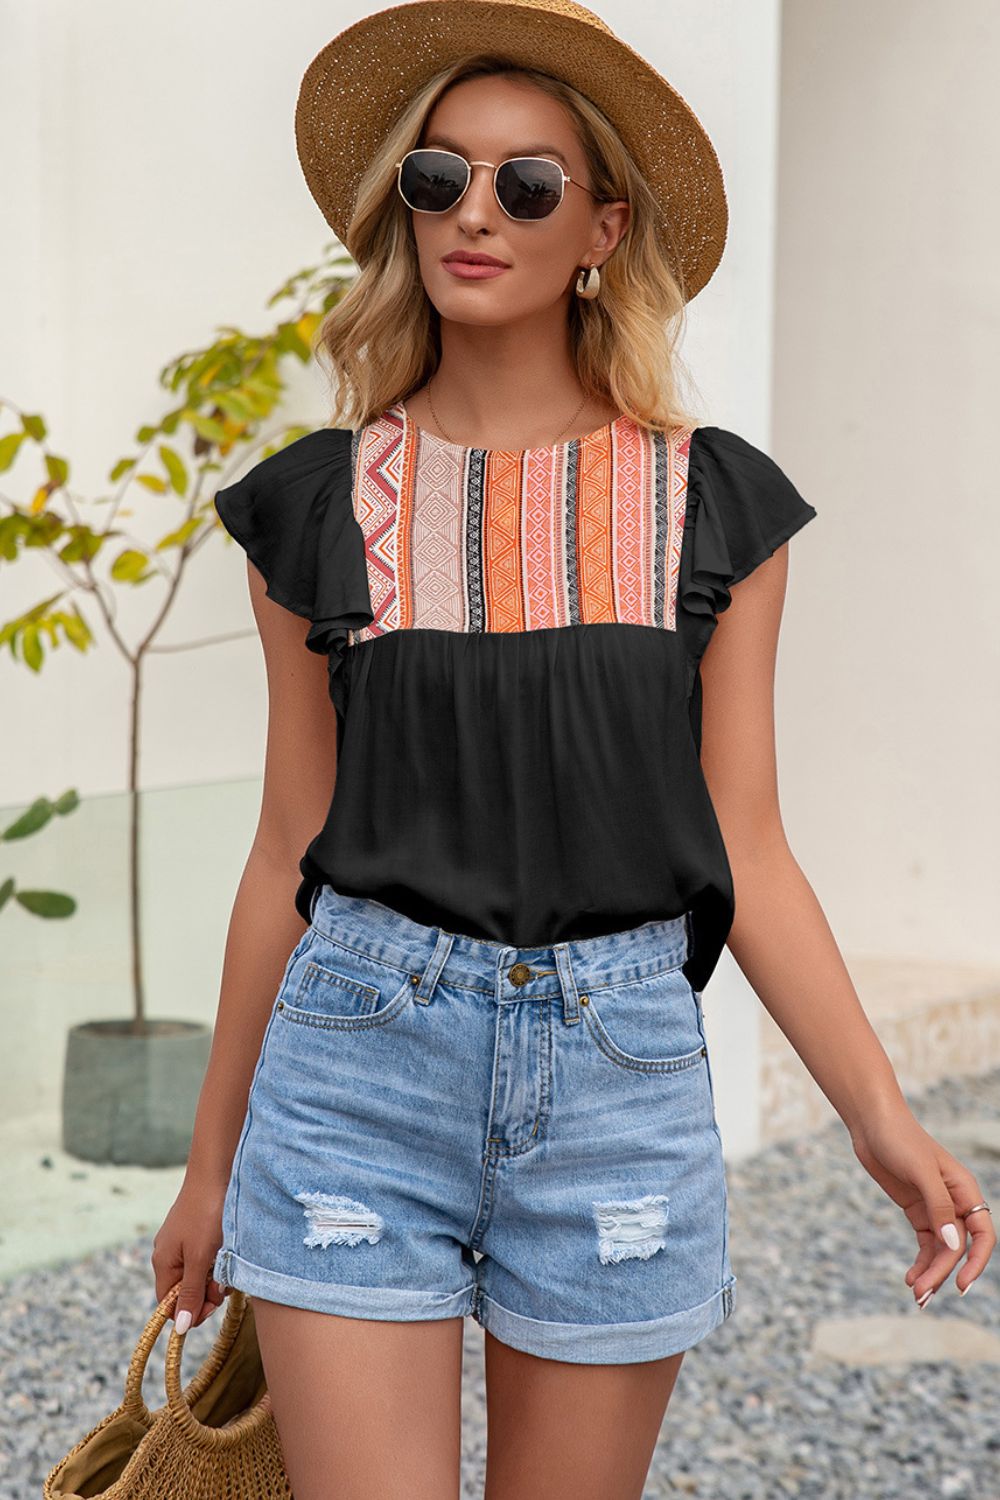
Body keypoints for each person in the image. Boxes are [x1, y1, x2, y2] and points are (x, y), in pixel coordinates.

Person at [152, 5, 995, 1497]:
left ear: (602, 228)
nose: (474, 213)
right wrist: (210, 1167)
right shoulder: (316, 506)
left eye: (526, 184)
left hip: (618, 1076)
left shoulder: (716, 507)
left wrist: (879, 1118)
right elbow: (287, 849)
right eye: (439, 178)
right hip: (354, 1070)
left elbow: (747, 845)